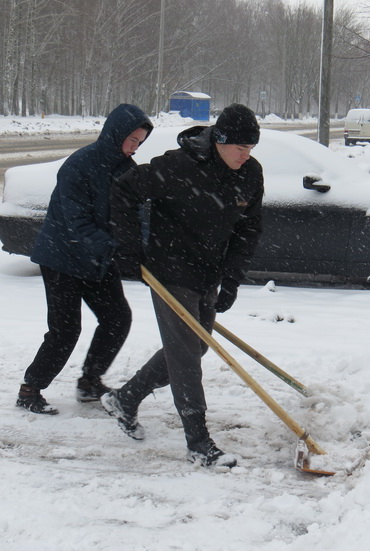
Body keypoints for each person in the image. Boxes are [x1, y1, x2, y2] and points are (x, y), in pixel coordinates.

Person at [106, 103, 264, 468]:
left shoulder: (250, 173)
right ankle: (198, 441)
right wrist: (128, 248)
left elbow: (249, 228)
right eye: (240, 147)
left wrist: (232, 280)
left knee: (197, 346)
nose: (246, 154)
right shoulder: (179, 166)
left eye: (251, 147)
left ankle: (125, 398)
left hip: (208, 272)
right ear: (219, 140)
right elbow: (124, 191)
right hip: (169, 270)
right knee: (185, 356)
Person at [16, 104, 153, 415]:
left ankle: (90, 382)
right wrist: (114, 248)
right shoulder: (79, 165)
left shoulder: (127, 169)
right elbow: (77, 222)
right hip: (62, 258)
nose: (134, 147)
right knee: (65, 330)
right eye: (132, 139)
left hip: (97, 260)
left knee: (117, 319)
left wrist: (141, 248)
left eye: (140, 142)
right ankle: (30, 389)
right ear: (116, 133)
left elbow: (137, 215)